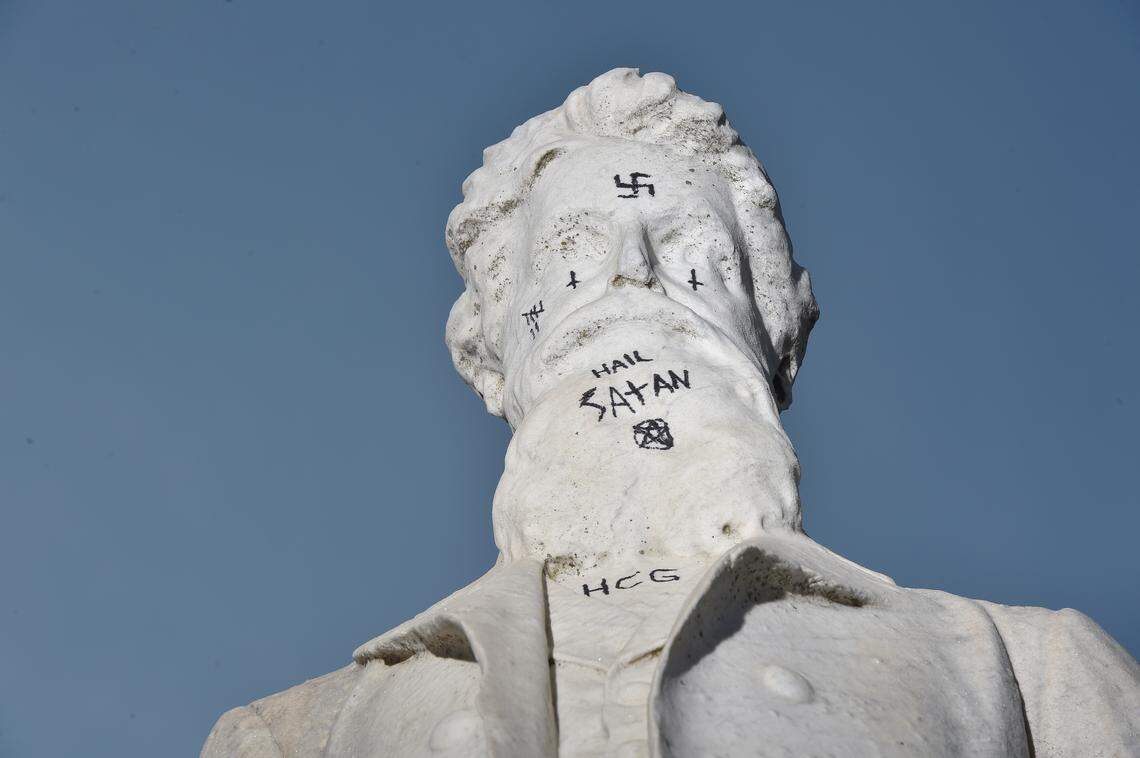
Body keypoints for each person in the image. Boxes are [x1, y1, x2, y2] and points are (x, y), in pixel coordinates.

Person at [202, 68, 1139, 758]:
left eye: (688, 244)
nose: (630, 274)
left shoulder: (1030, 672)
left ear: (772, 328)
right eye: (571, 250)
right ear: (492, 349)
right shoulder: (297, 736)